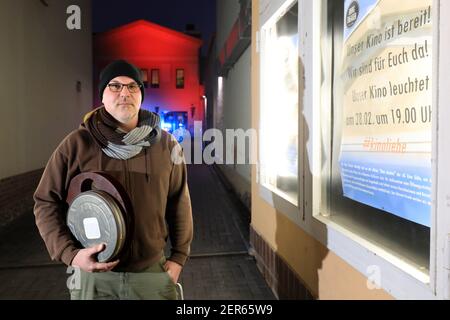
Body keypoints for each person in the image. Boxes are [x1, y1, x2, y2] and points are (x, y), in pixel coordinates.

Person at [33, 60, 193, 300]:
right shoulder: (77, 144)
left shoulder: (166, 145)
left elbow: (179, 202)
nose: (124, 93)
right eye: (115, 86)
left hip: (151, 275)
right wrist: (71, 254)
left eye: (132, 86)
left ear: (141, 94)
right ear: (103, 95)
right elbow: (45, 201)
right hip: (94, 278)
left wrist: (178, 258)